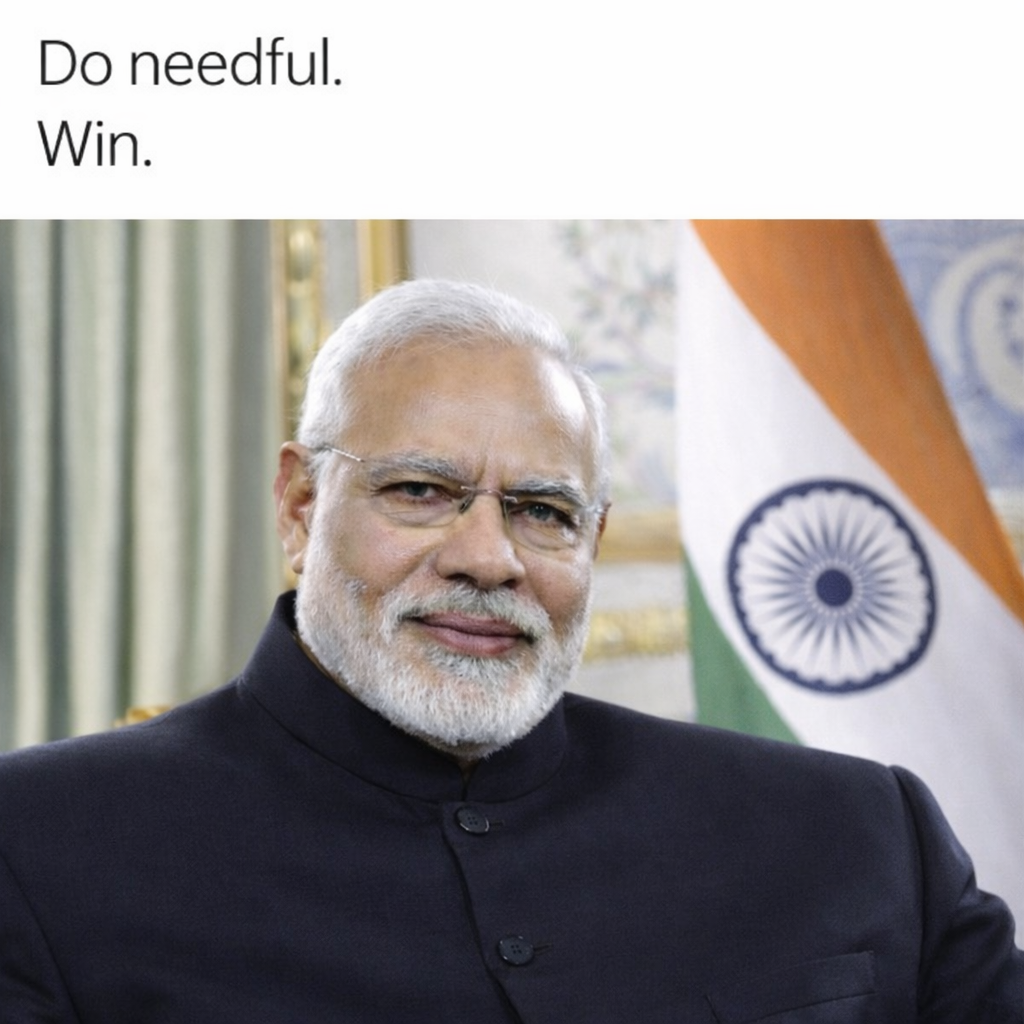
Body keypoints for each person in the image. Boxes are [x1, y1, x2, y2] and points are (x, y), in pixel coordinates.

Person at [0, 279, 1020, 1023]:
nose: (488, 558)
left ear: (592, 541)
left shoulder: (858, 832)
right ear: (301, 506)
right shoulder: (37, 849)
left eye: (542, 511)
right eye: (420, 492)